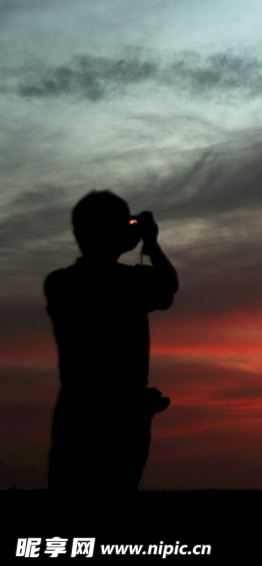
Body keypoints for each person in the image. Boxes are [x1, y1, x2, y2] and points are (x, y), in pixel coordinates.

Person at [45, 191, 178, 491]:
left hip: (77, 415)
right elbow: (168, 286)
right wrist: (151, 242)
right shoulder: (128, 283)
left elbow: (163, 291)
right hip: (122, 419)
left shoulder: (60, 283)